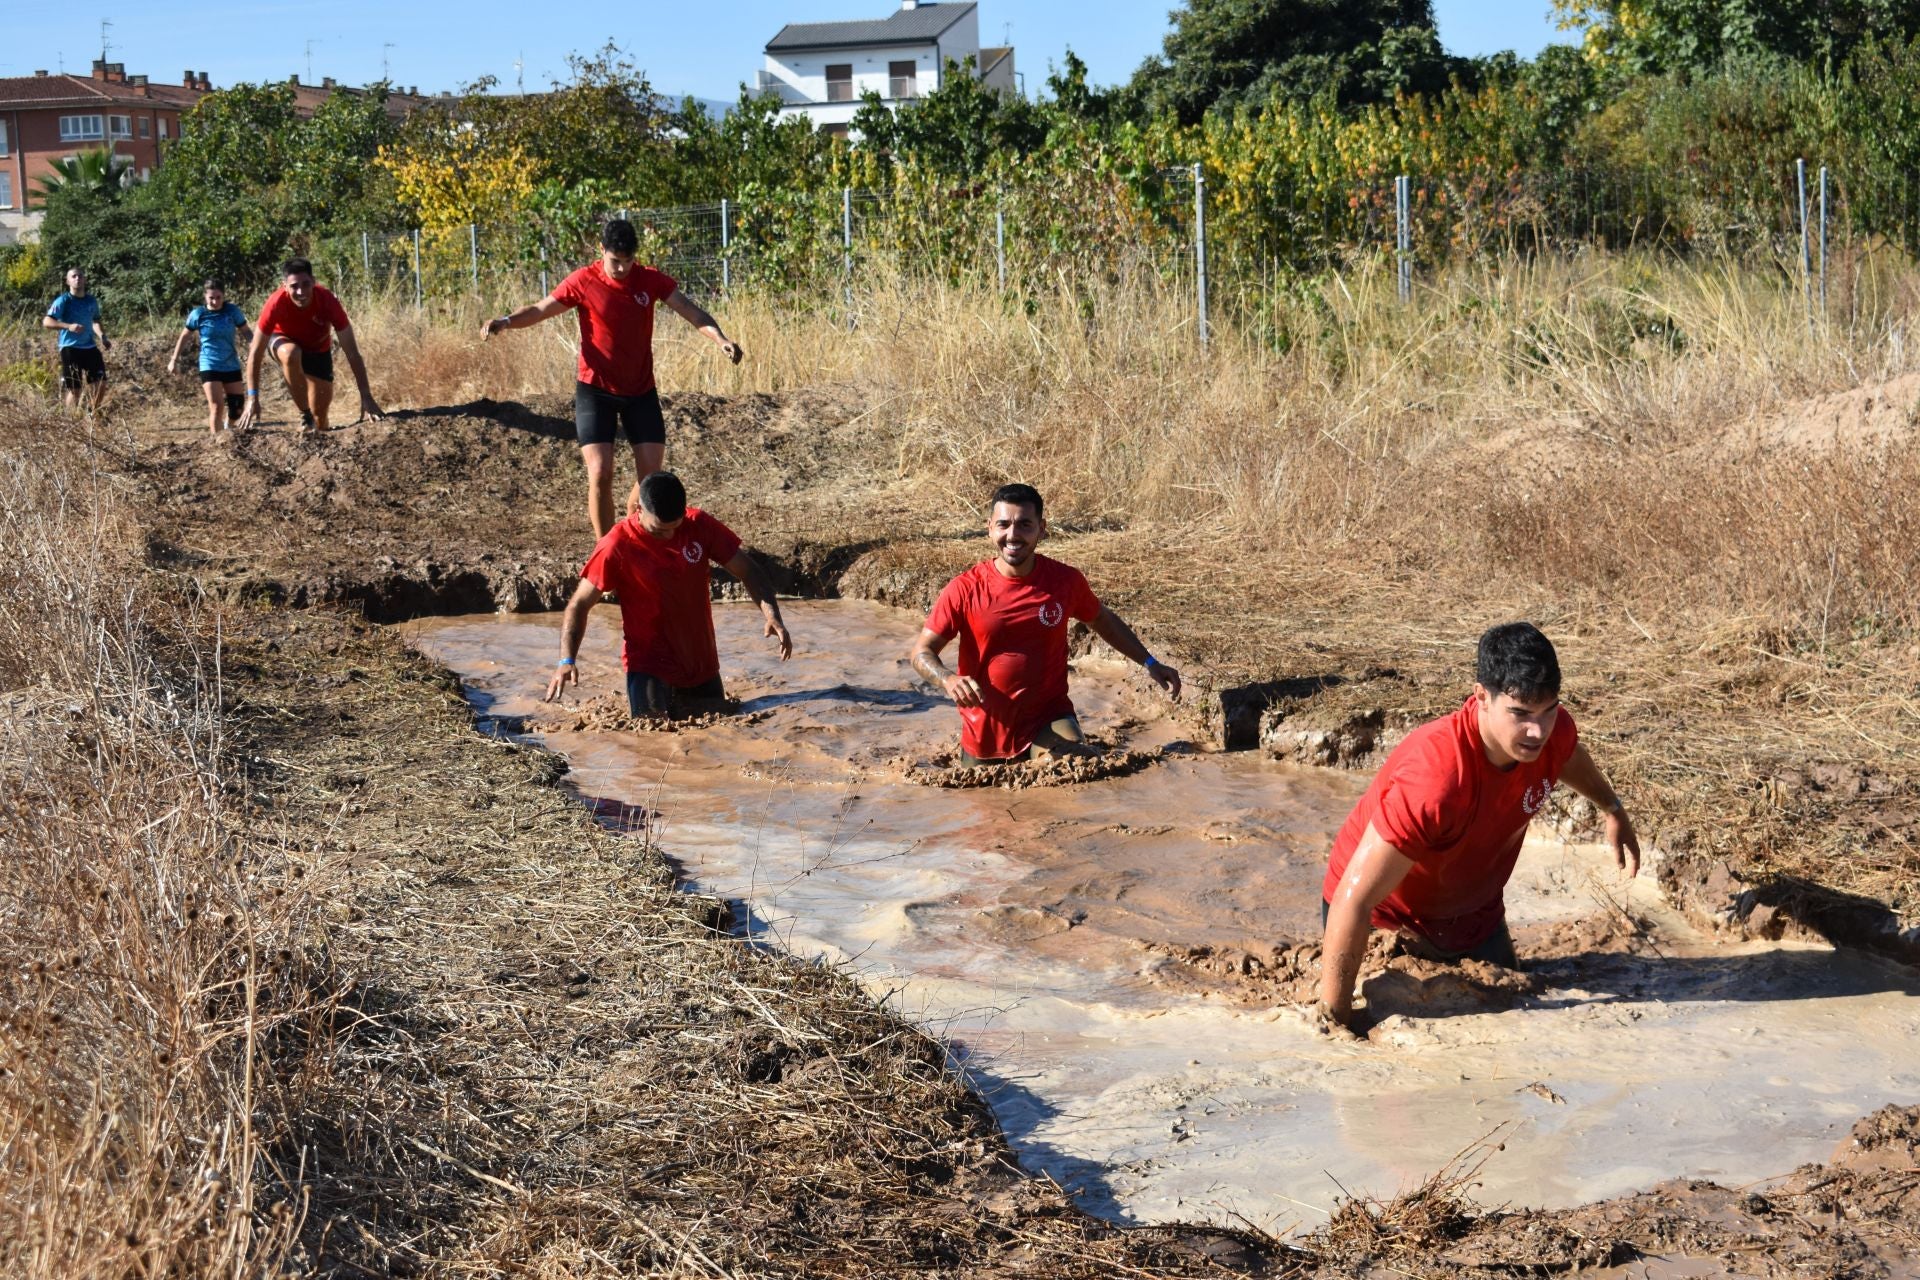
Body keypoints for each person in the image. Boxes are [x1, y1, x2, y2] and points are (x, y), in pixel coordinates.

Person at [1317, 622, 1641, 1032]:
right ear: (1481, 697)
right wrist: (1335, 1026)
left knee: (1514, 1019)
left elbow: (1567, 753)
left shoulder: (1551, 732)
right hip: (1387, 920)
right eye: (1520, 713)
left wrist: (1613, 808)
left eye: (1548, 710)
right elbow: (1353, 900)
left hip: (1473, 914)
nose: (1537, 731)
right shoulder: (1437, 779)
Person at [483, 218, 743, 539]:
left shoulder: (649, 280)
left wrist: (720, 339)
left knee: (650, 480)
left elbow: (691, 311)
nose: (621, 268)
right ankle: (605, 550)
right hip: (596, 391)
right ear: (601, 250)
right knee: (600, 472)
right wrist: (506, 321)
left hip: (640, 391)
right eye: (614, 261)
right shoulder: (584, 281)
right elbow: (540, 309)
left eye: (627, 261)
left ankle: (633, 536)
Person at [909, 483, 1181, 764]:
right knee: (982, 791)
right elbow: (921, 652)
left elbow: (1102, 620)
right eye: (1003, 524)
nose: (1012, 535)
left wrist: (1150, 662)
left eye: (1024, 525)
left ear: (1042, 529)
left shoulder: (1065, 582)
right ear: (989, 528)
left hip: (1048, 718)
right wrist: (948, 679)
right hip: (985, 730)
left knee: (1072, 764)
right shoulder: (964, 589)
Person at [544, 471, 791, 717]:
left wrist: (772, 616)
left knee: (719, 732)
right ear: (638, 509)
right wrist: (566, 661)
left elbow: (748, 570)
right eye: (659, 531)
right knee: (651, 734)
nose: (670, 536)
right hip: (647, 665)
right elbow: (579, 604)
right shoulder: (616, 546)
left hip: (700, 664)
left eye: (676, 527)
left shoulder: (699, 525)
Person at [236, 258, 384, 434]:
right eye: (294, 286)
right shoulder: (275, 303)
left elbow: (352, 352)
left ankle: (316, 428)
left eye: (306, 284)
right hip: (282, 342)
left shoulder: (328, 301)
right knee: (291, 353)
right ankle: (304, 415)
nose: (301, 292)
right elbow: (255, 353)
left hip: (317, 350)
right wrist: (252, 398)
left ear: (313, 281)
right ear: (284, 286)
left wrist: (366, 396)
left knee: (320, 417)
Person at [168, 278, 253, 437]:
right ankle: (217, 442)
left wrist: (254, 346)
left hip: (231, 363)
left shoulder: (232, 311)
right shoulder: (198, 314)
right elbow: (185, 335)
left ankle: (229, 430)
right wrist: (174, 359)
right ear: (205, 297)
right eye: (211, 298)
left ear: (223, 295)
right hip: (209, 364)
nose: (215, 301)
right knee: (216, 406)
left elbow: (246, 330)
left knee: (237, 407)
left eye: (218, 297)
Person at [42, 267, 110, 413]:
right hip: (70, 348)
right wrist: (68, 326)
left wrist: (102, 336)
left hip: (89, 347)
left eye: (80, 276)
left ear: (85, 280)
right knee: (75, 389)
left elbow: (95, 321)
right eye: (73, 276)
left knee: (101, 382)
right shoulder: (63, 301)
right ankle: (70, 420)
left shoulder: (91, 301)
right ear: (67, 281)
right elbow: (47, 322)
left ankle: (92, 413)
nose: (77, 278)